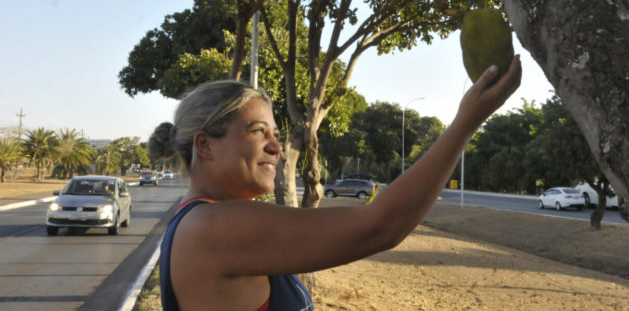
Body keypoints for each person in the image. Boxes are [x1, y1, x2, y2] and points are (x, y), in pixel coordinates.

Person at [149, 56, 521, 311]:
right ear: (205, 144)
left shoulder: (211, 222)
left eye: (276, 133)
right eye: (257, 131)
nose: (277, 146)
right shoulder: (211, 228)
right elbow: (379, 226)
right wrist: (465, 124)